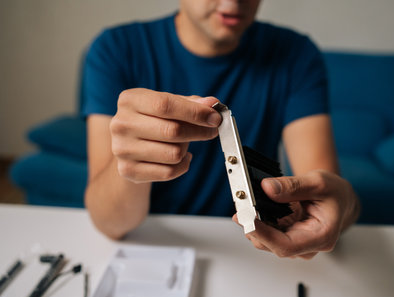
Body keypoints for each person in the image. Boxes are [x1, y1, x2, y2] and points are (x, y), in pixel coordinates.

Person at [83, 0, 360, 259]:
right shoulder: (116, 49)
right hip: (153, 247)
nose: (233, 4)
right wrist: (132, 166)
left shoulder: (296, 54)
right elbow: (110, 223)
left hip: (253, 253)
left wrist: (344, 204)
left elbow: (324, 196)